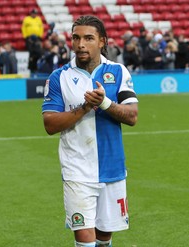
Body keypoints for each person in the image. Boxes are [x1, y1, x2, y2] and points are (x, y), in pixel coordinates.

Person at [41, 15, 138, 247]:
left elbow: (132, 116)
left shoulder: (118, 71)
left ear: (102, 41)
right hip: (77, 169)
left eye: (88, 38)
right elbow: (50, 124)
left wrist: (104, 103)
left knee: (104, 237)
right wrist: (85, 107)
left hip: (112, 168)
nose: (80, 44)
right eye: (76, 38)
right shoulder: (59, 77)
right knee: (85, 238)